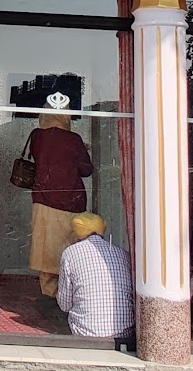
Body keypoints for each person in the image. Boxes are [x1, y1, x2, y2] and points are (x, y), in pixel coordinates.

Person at [28, 112, 94, 297]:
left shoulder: (37, 136)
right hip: (70, 201)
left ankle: (47, 292)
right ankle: (66, 293)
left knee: (44, 248)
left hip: (43, 200)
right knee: (68, 247)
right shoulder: (73, 139)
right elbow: (86, 169)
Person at [56, 212, 133, 339]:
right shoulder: (123, 254)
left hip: (86, 334)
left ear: (76, 232)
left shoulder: (70, 253)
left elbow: (64, 304)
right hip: (124, 335)